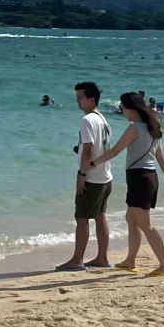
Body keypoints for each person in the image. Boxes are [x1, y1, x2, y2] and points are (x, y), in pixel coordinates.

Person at [93, 92, 164, 277]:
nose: (122, 111)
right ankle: (130, 261)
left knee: (146, 225)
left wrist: (92, 163)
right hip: (148, 177)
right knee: (131, 219)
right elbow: (161, 158)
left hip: (140, 178)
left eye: (123, 108)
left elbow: (115, 151)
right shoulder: (153, 127)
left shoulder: (134, 129)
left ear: (131, 109)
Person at [55, 81, 113, 272]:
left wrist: (82, 173)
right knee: (100, 216)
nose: (77, 101)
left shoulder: (87, 120)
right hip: (105, 175)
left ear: (91, 99)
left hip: (92, 177)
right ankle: (102, 257)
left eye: (80, 97)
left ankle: (77, 260)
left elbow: (88, 149)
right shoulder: (103, 119)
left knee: (82, 217)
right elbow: (98, 147)